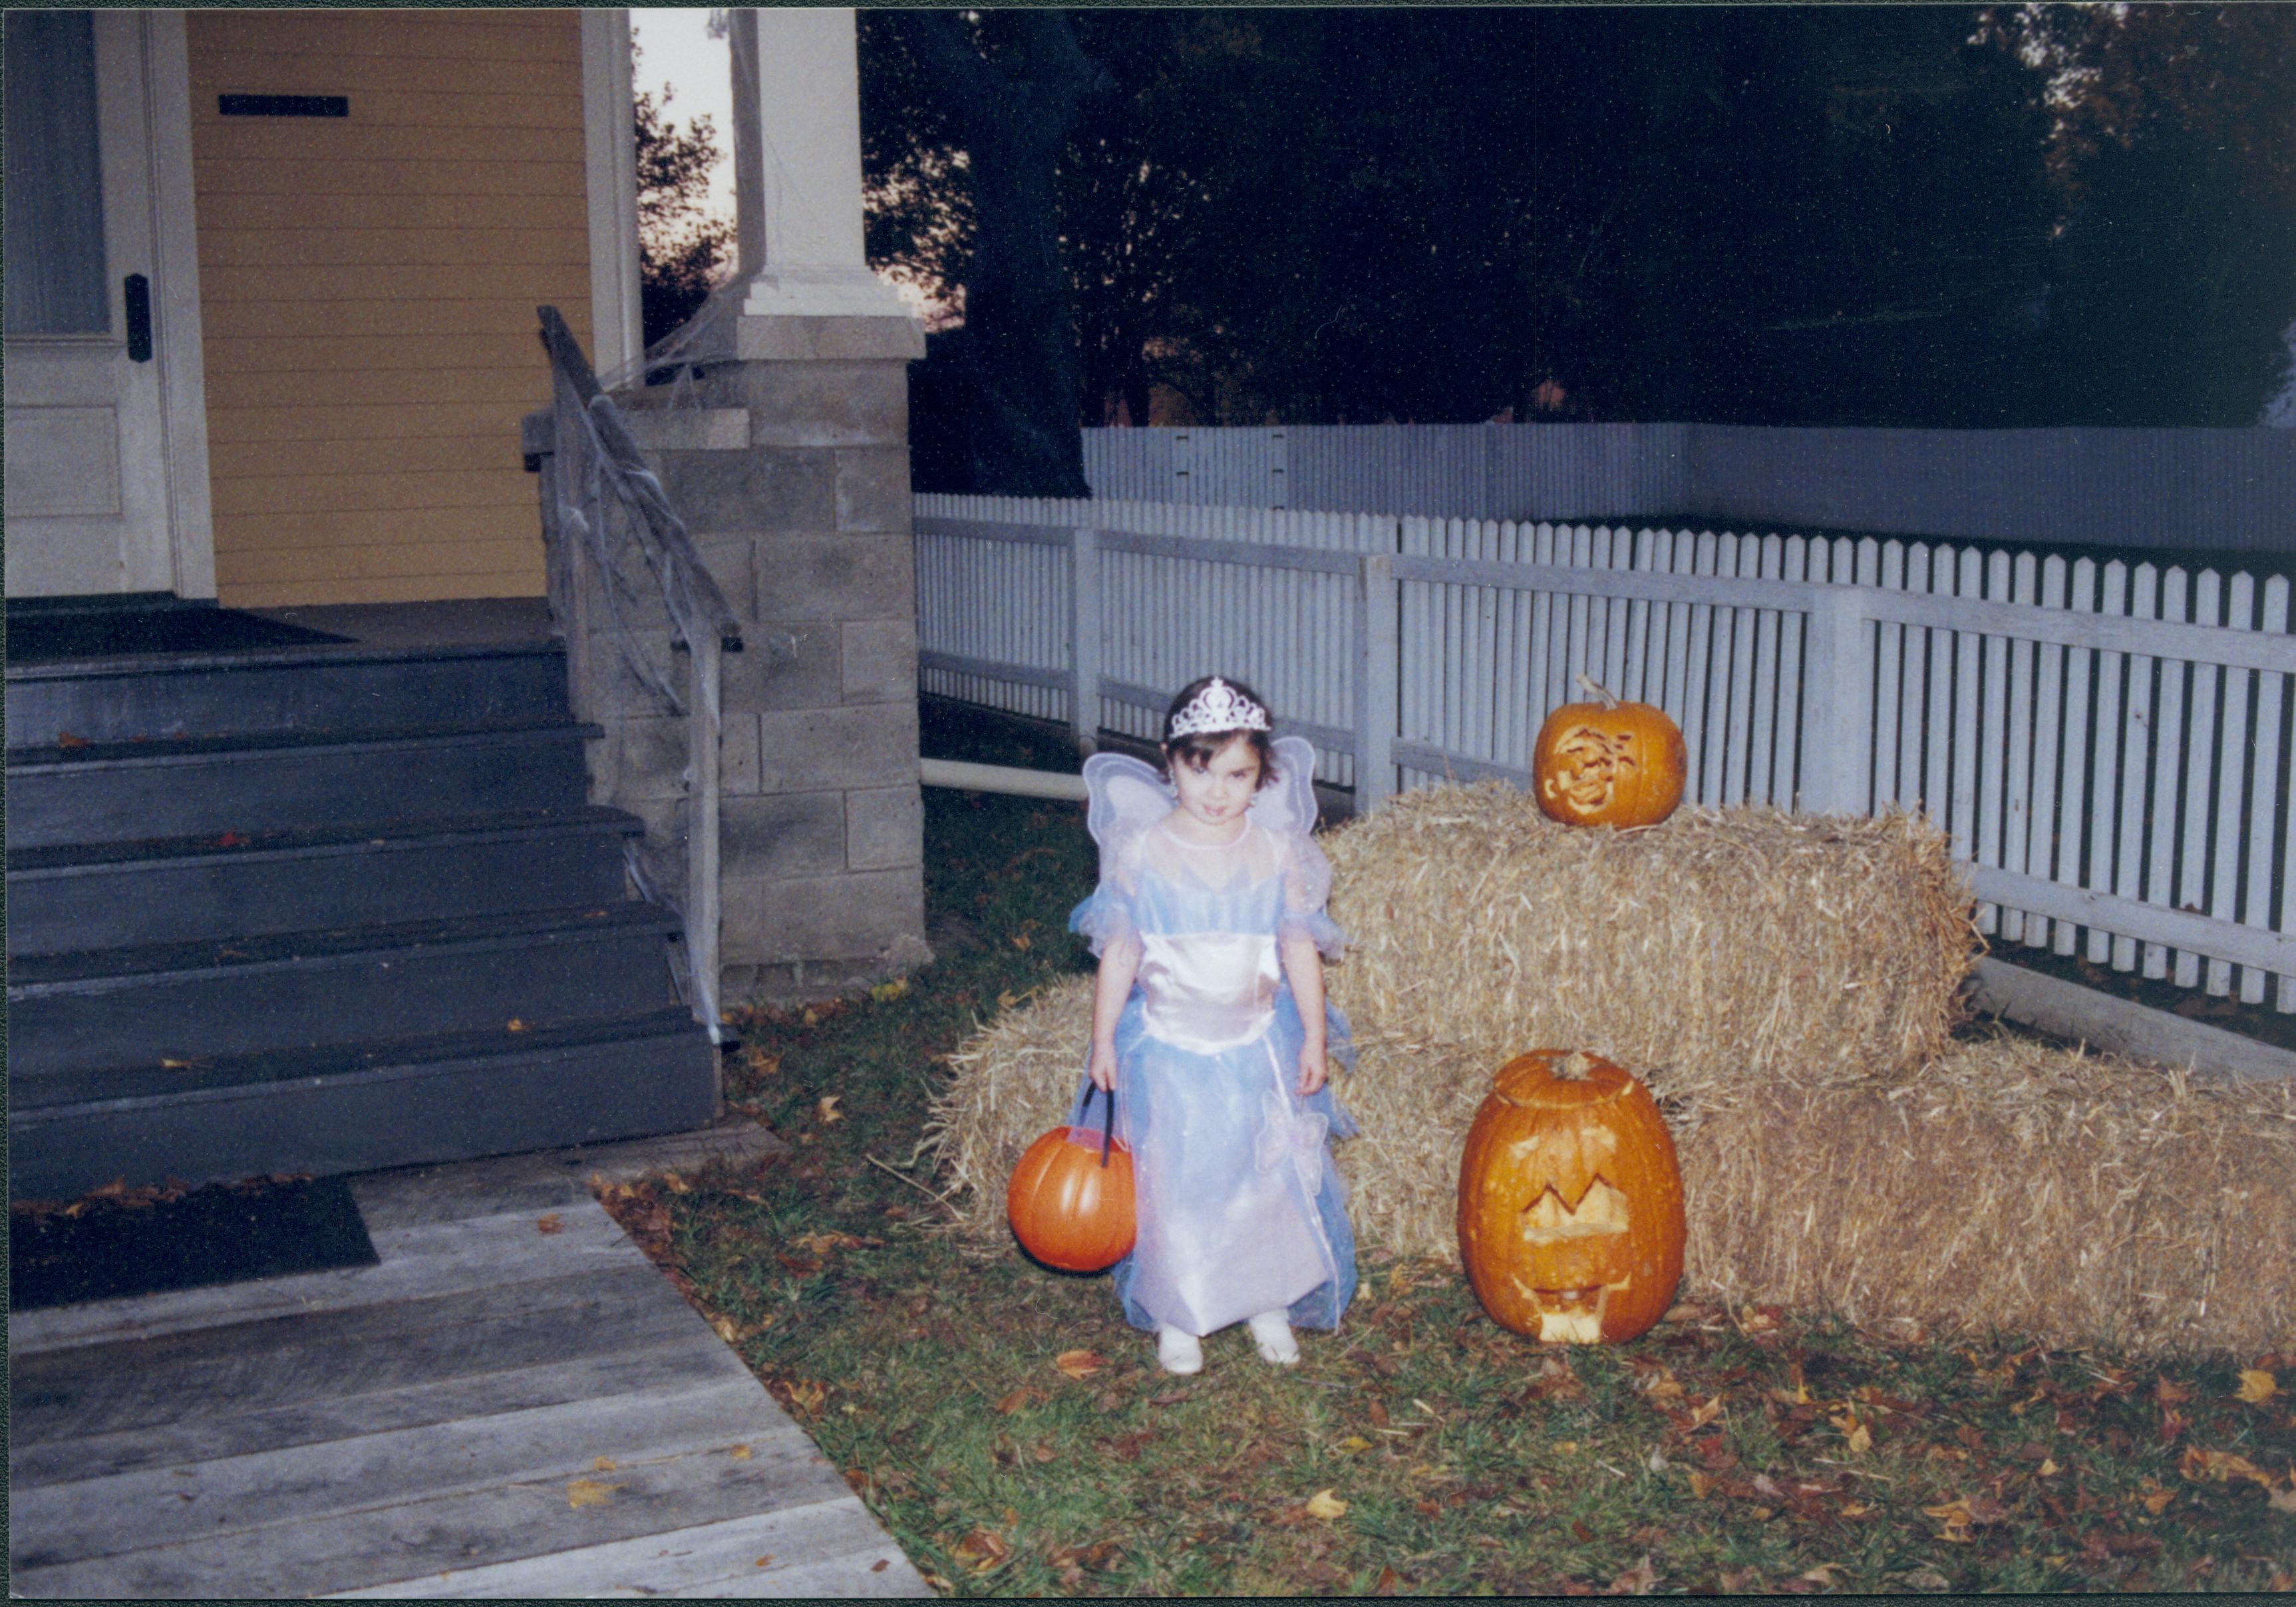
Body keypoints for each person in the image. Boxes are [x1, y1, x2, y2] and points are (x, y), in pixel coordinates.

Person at [1066, 675, 1359, 1374]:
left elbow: (1296, 949)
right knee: (1176, 1179)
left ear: (1262, 776)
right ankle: (1179, 1307)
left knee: (1260, 1177)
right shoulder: (1142, 850)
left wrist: (1314, 1035)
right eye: (1201, 769)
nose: (1218, 790)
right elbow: (1122, 951)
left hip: (1256, 1040)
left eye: (1238, 773)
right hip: (1168, 1046)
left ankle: (1266, 1295)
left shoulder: (1276, 850)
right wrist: (1103, 1038)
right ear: (1170, 762)